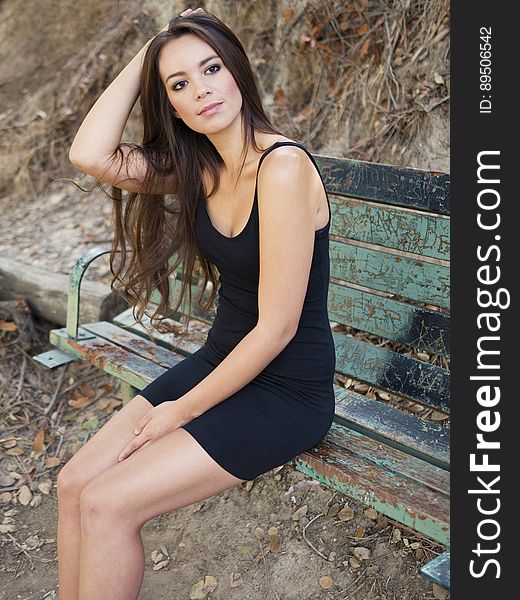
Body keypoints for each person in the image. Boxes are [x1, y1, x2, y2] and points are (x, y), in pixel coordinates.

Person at [58, 7, 335, 599]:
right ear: (171, 107)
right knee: (75, 483)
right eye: (179, 85)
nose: (201, 90)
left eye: (210, 69)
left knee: (108, 505)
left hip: (286, 390)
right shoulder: (199, 166)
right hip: (220, 363)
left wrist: (178, 412)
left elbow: (278, 328)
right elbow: (90, 154)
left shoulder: (282, 169)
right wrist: (150, 54)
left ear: (236, 70)